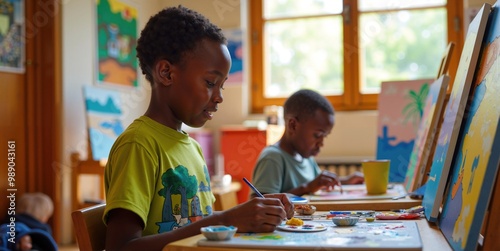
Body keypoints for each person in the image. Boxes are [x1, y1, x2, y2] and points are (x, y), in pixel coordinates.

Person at [103, 6, 294, 251]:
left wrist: (246, 215)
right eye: (210, 83)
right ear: (166, 73)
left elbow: (200, 225)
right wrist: (225, 219)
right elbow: (121, 247)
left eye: (222, 86)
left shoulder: (191, 146)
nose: (219, 97)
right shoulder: (139, 145)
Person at [251, 89, 364, 197]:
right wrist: (306, 188)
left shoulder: (306, 157)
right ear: (293, 125)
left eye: (324, 137)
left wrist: (347, 181)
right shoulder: (273, 158)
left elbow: (318, 185)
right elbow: (260, 205)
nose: (321, 143)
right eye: (317, 135)